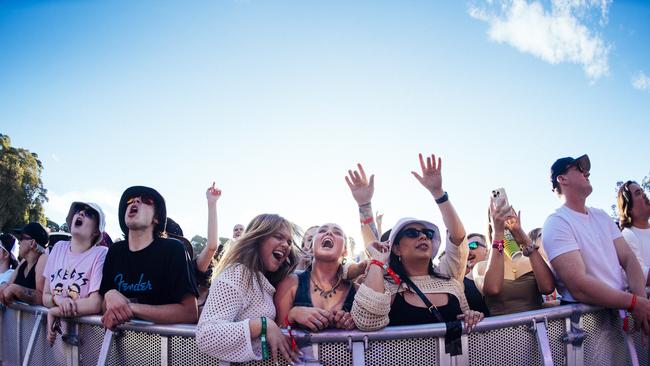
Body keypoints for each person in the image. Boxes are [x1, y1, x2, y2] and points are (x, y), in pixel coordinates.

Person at [348, 154, 483, 332]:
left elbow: (458, 238)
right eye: (412, 233)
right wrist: (364, 206)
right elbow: (366, 321)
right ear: (395, 248)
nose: (423, 237)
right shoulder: (386, 286)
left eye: (427, 233)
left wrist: (438, 193)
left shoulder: (449, 279)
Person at [542, 155, 650, 334]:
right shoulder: (557, 223)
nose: (587, 172)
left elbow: (629, 259)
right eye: (579, 167)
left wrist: (641, 303)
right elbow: (579, 286)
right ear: (562, 179)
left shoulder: (601, 216)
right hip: (588, 330)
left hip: (623, 321)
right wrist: (634, 302)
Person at [196, 214, 300, 364]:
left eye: (289, 242)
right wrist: (263, 325)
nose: (286, 245)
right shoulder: (237, 273)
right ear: (258, 238)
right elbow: (206, 335)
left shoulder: (264, 280)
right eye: (278, 237)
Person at [99, 186, 198, 330]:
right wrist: (109, 295)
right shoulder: (115, 251)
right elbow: (103, 307)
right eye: (130, 200)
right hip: (119, 345)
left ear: (156, 218)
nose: (136, 201)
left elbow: (190, 312)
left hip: (164, 346)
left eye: (146, 200)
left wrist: (132, 308)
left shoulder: (173, 249)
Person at [42, 202, 108, 344]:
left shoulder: (100, 253)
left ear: (97, 231)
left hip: (87, 343)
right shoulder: (58, 248)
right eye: (78, 210)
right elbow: (45, 296)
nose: (81, 213)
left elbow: (95, 303)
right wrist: (58, 300)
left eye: (89, 213)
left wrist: (55, 311)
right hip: (58, 342)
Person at [473, 202, 555, 316]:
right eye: (498, 216)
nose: (504, 220)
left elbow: (548, 287)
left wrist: (523, 237)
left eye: (508, 214)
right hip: (503, 332)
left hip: (538, 329)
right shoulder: (481, 267)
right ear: (491, 223)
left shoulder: (531, 259)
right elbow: (493, 288)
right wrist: (498, 233)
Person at [275, 223, 357, 332]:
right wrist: (292, 315)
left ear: (345, 251)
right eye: (322, 231)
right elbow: (277, 335)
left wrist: (355, 322)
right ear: (312, 247)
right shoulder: (290, 283)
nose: (329, 233)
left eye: (337, 232)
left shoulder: (357, 291)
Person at [0, 222, 49, 306]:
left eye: (22, 238)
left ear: (32, 243)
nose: (19, 242)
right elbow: (8, 285)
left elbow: (41, 297)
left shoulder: (43, 259)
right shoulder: (23, 262)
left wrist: (15, 289)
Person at [617, 180, 650, 285]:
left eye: (642, 191)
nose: (644, 194)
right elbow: (641, 276)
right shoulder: (628, 235)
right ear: (628, 208)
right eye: (638, 193)